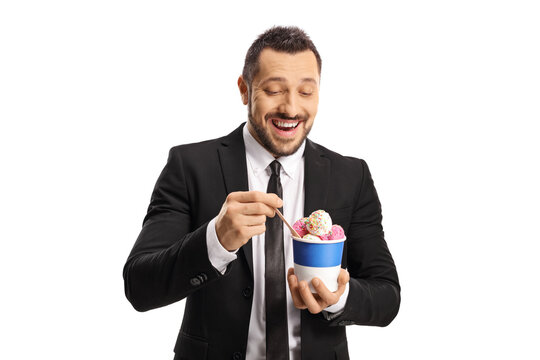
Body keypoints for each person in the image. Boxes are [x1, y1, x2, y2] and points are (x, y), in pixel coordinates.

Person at [123, 26, 400, 360]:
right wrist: (215, 240)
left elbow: (387, 295)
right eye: (274, 90)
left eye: (306, 92)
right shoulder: (189, 167)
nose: (291, 108)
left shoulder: (351, 175)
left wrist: (338, 297)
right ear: (245, 90)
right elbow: (139, 286)